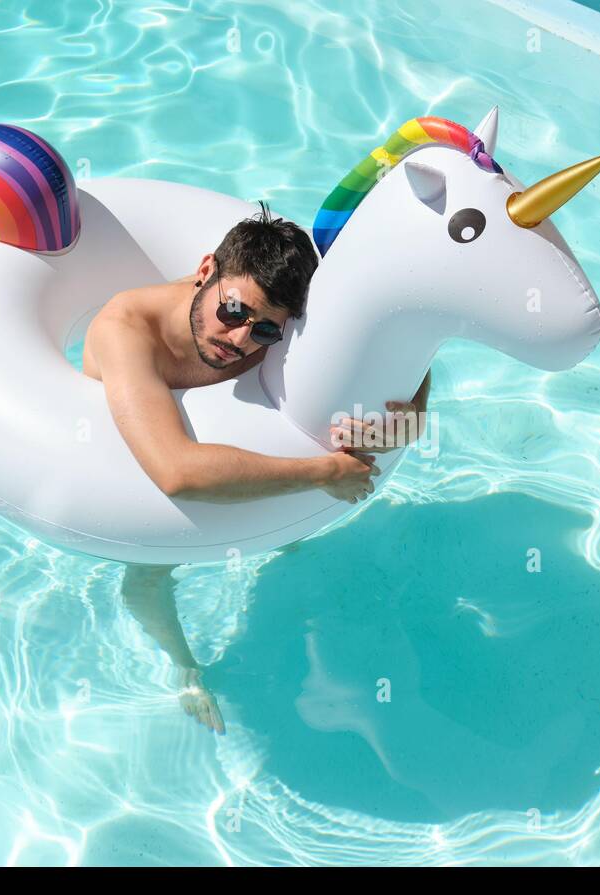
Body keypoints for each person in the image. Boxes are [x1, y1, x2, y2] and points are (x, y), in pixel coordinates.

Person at [81, 203, 431, 733]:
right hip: (137, 476)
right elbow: (176, 473)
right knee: (147, 575)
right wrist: (324, 473)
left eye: (265, 332)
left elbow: (402, 345)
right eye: (232, 311)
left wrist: (411, 422)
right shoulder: (126, 330)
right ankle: (186, 669)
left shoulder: (266, 319)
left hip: (238, 457)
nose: (240, 340)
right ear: (205, 271)